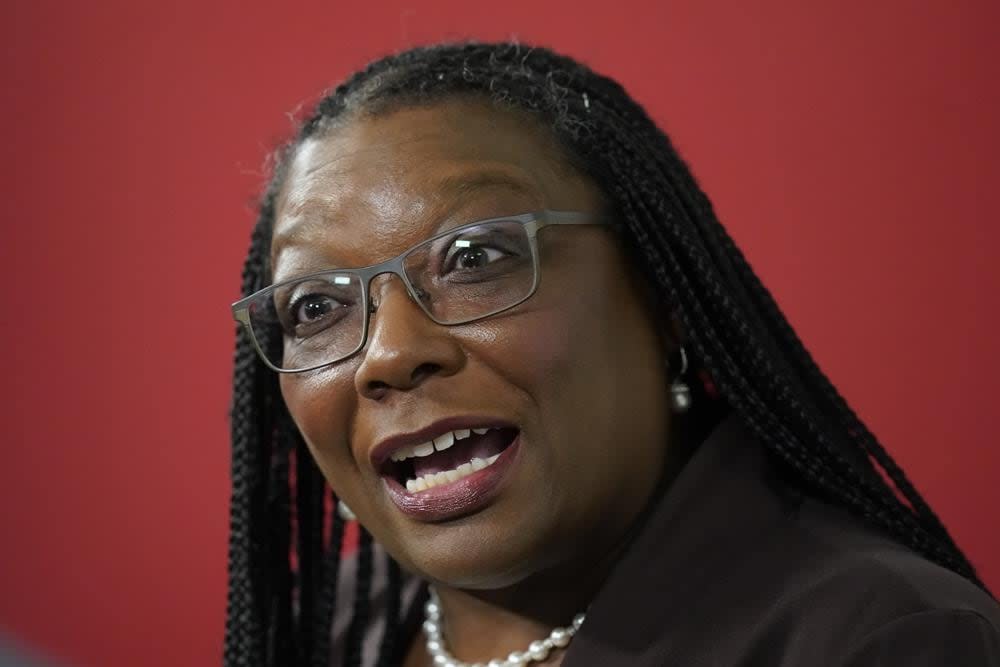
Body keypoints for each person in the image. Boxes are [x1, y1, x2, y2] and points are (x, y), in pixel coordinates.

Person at [225, 42, 1000, 666]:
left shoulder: (883, 638)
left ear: (664, 295)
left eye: (472, 257)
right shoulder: (329, 630)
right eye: (316, 307)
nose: (388, 353)